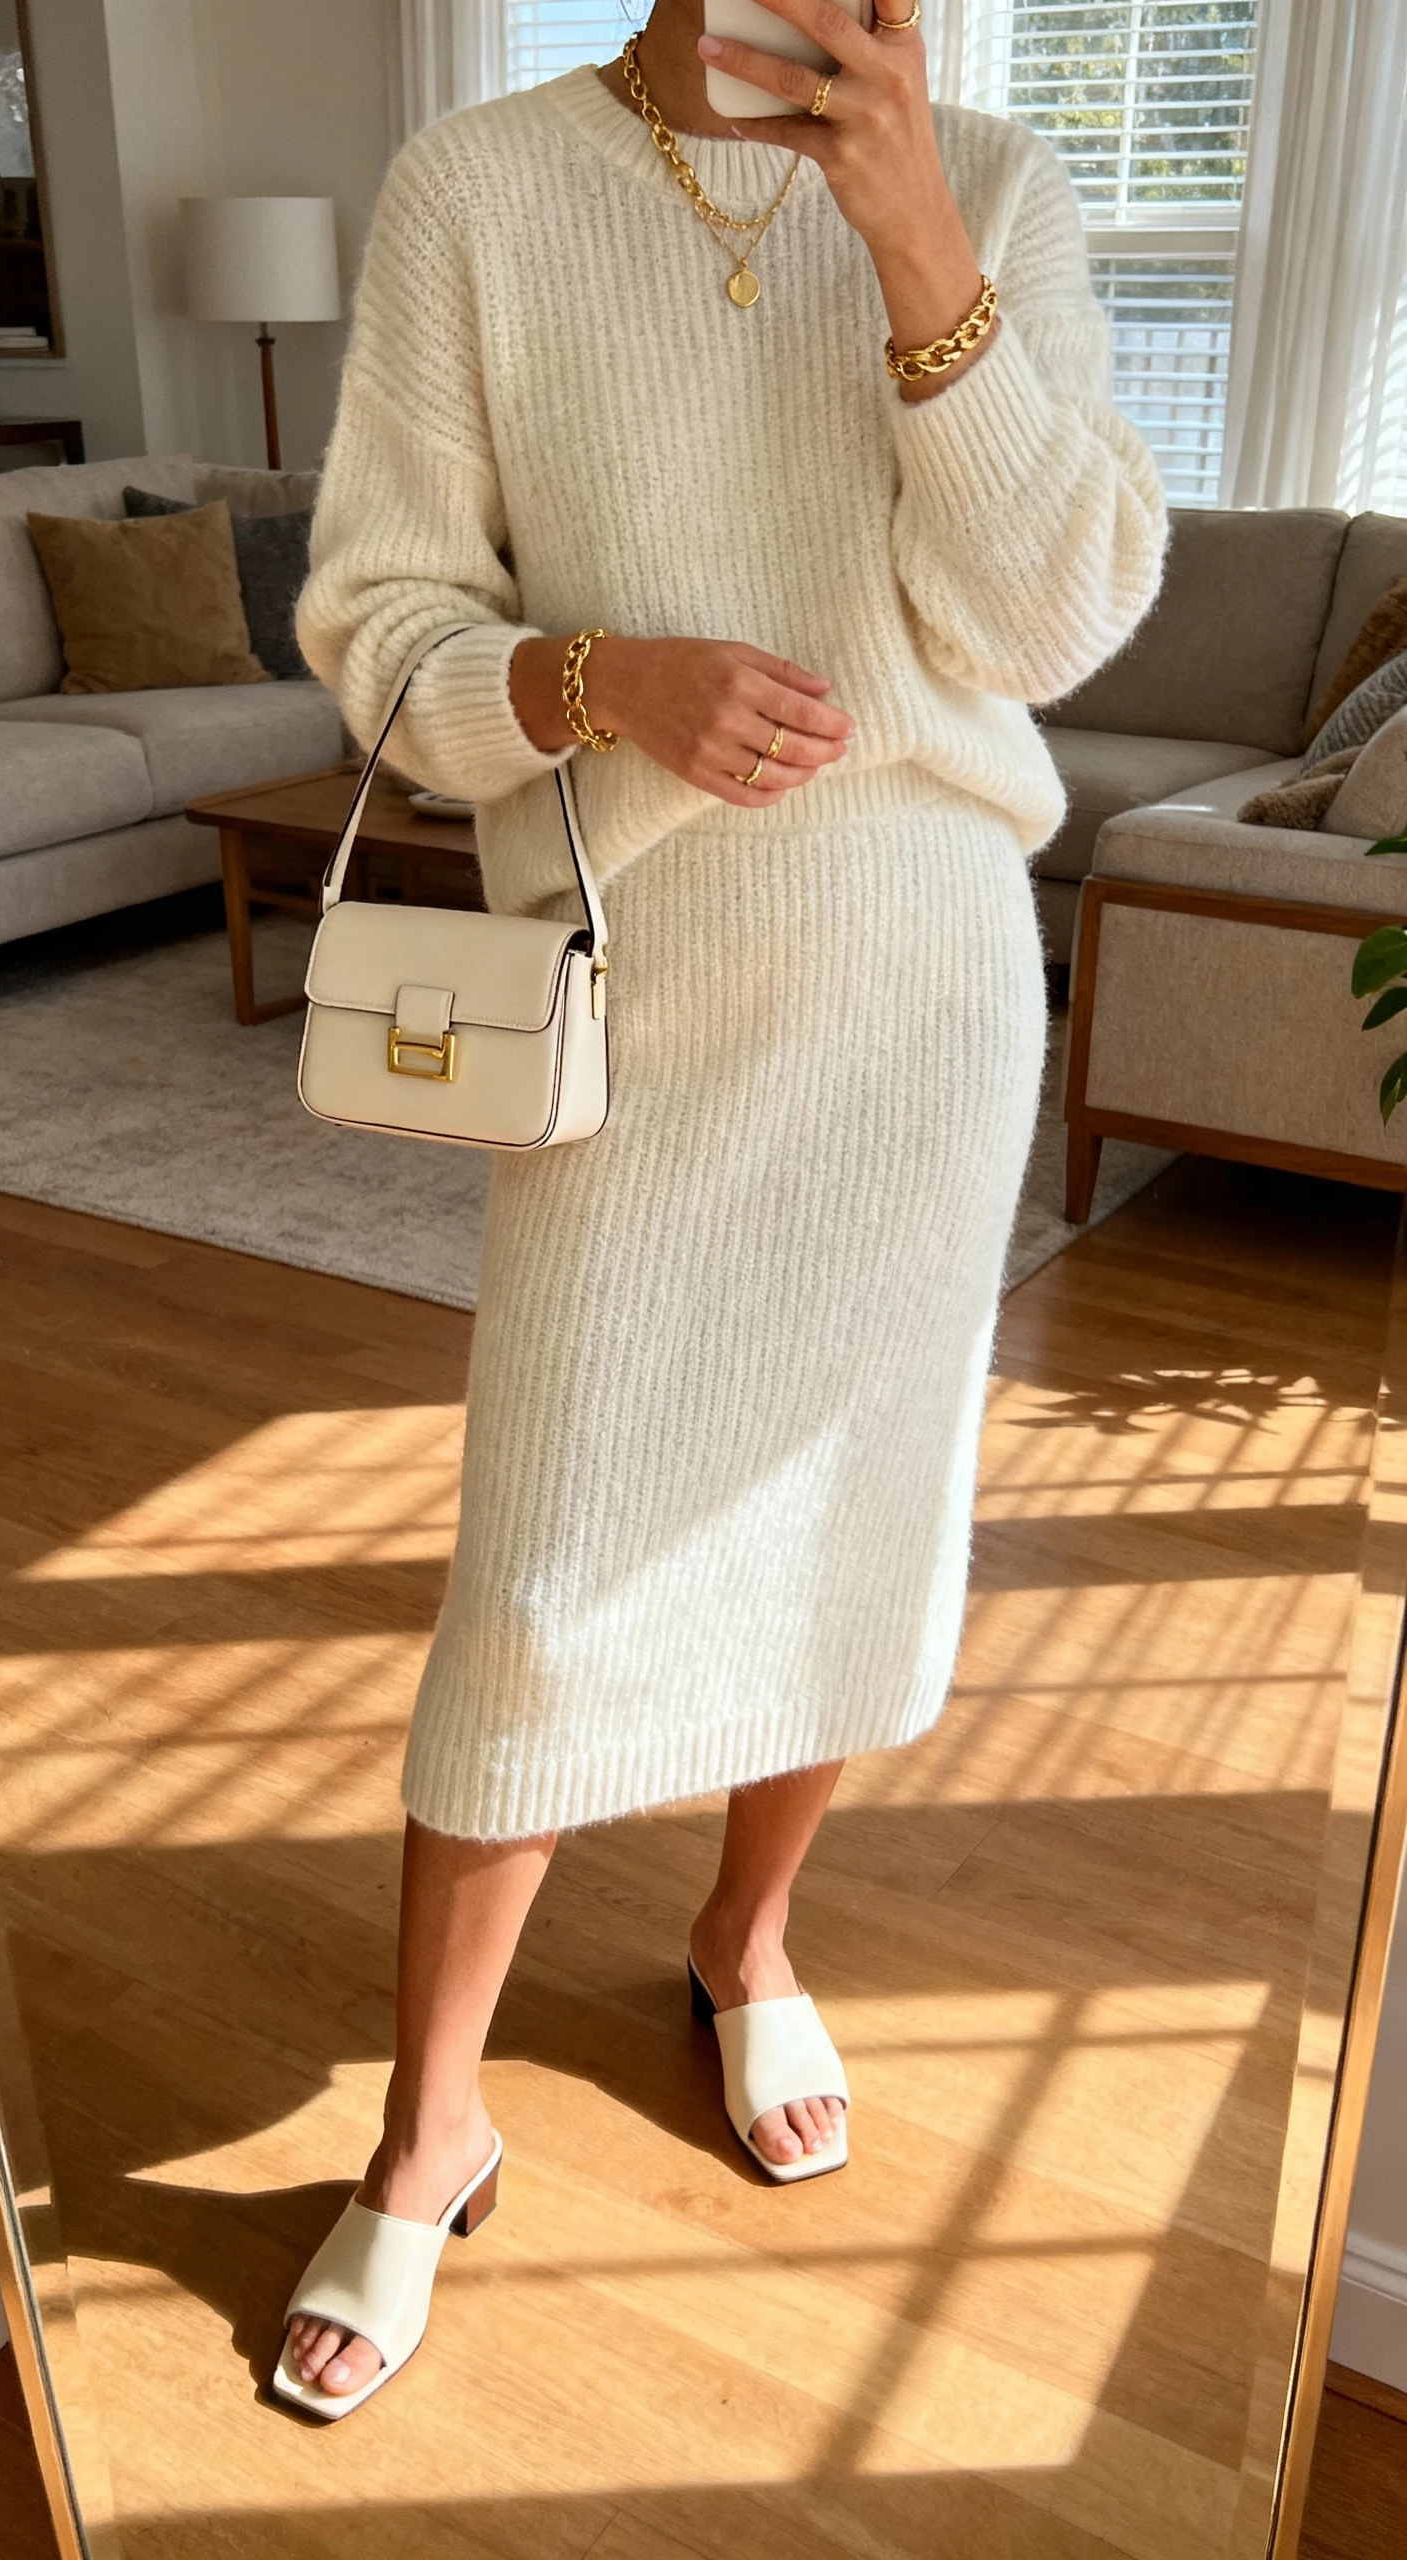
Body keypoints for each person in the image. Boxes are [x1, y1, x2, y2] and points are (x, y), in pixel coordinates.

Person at [280, 0, 1167, 2415]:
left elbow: (1060, 614)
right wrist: (598, 676)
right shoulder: (478, 189)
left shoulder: (990, 177)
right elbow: (375, 626)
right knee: (545, 1559)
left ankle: (750, 1936)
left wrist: (915, 249)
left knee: (852, 1510)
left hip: (921, 990)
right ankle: (426, 2115)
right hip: (629, 989)